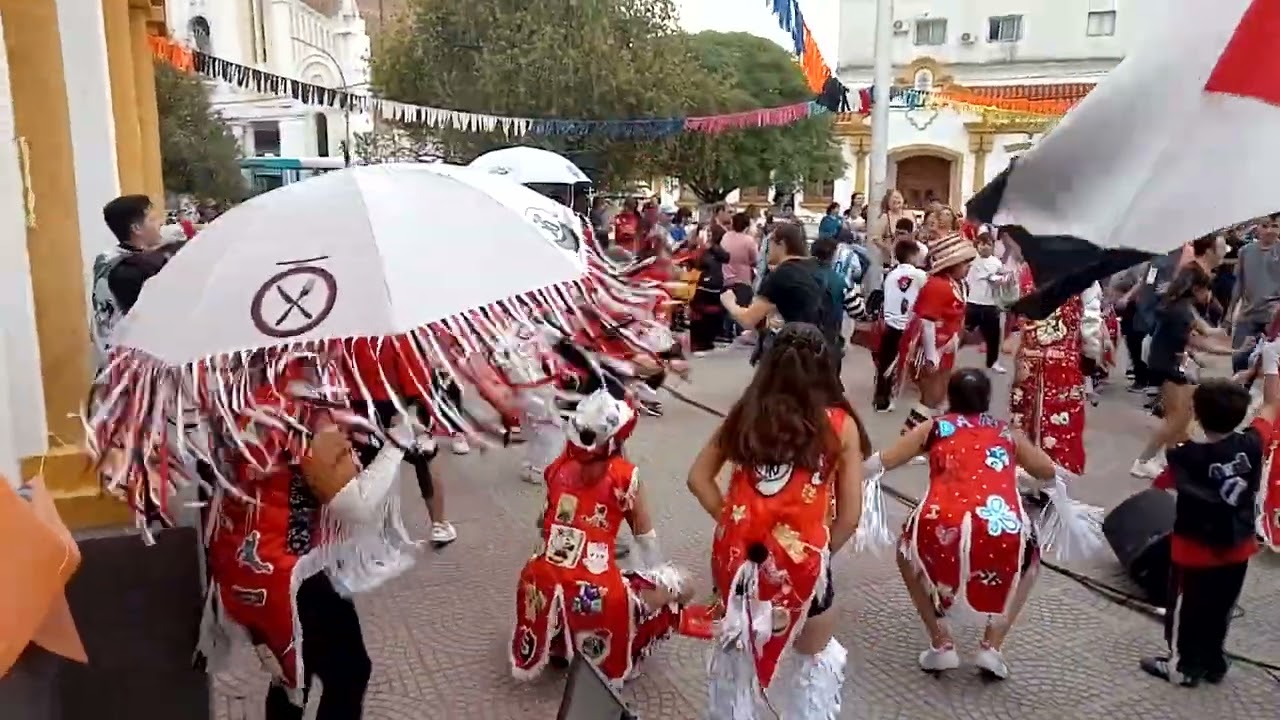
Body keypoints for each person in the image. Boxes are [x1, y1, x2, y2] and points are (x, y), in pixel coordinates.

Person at [201, 351, 421, 719]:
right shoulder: (300, 406)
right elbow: (354, 505)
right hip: (292, 571)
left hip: (249, 561)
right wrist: (399, 440)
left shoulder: (247, 392)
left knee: (294, 682)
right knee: (348, 672)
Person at [687, 322, 867, 717]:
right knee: (811, 669)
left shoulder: (746, 413)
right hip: (804, 566)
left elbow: (698, 478)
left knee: (735, 669)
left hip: (738, 562)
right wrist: (817, 553)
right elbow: (851, 515)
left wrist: (732, 519)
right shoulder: (840, 424)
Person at [862, 369, 1059, 679]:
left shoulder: (936, 427)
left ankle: (941, 643)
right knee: (1029, 560)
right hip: (1002, 522)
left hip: (940, 521)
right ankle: (991, 647)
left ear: (950, 398)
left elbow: (882, 461)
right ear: (987, 400)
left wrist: (844, 474)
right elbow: (1047, 470)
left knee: (905, 551)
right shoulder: (1006, 432)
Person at [510, 383, 689, 685]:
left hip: (539, 579)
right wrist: (661, 579)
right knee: (680, 586)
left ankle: (558, 641)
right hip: (595, 592)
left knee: (563, 579)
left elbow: (543, 524)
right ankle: (630, 652)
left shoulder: (557, 468)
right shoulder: (625, 476)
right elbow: (646, 539)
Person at [1141, 363, 1278, 686]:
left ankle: (1182, 666)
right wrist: (1271, 366)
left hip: (1194, 552)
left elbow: (1162, 475)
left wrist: (1184, 409)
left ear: (1198, 416)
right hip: (1239, 546)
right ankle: (1213, 660)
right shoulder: (1253, 442)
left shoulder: (1186, 456)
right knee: (1221, 607)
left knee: (1184, 610)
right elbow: (1272, 406)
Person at [344, 337, 458, 546]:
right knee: (426, 456)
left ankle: (368, 530)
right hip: (394, 404)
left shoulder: (338, 334)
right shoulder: (391, 334)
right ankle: (439, 524)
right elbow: (414, 379)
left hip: (355, 407)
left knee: (368, 464)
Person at [1132, 266, 1239, 478]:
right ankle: (1143, 460)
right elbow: (1199, 341)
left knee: (1183, 415)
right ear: (1197, 288)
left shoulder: (1181, 306)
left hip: (1166, 362)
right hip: (1166, 365)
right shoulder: (1180, 310)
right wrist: (1233, 351)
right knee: (1177, 417)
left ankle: (1170, 458)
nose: (1208, 295)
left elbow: (1204, 333)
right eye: (1206, 290)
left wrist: (1228, 338)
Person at [1007, 266, 1105, 475]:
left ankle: (1023, 471)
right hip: (1063, 362)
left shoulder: (1025, 270)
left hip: (1028, 357)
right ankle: (1055, 478)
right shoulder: (1085, 276)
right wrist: (1090, 357)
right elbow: (1090, 323)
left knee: (1025, 416)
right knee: (1060, 423)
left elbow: (1011, 307)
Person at [892, 233, 976, 435]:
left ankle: (934, 436)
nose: (968, 268)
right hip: (930, 350)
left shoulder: (956, 285)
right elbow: (927, 321)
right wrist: (931, 355)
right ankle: (909, 438)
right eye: (965, 263)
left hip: (945, 348)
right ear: (952, 264)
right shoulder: (937, 286)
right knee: (931, 397)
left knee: (939, 397)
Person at [720, 222, 824, 356]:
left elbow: (749, 320)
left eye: (769, 243)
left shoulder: (781, 274)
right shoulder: (815, 268)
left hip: (793, 351)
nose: (765, 250)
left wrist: (730, 303)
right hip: (819, 347)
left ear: (781, 244)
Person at [92, 194, 169, 365]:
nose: (161, 223)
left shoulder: (107, 260)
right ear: (136, 228)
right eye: (153, 219)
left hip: (107, 360)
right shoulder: (133, 272)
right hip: (130, 368)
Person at [874, 240, 928, 412]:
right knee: (905, 362)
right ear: (912, 255)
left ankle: (881, 399)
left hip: (890, 324)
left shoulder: (890, 274)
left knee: (886, 363)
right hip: (908, 326)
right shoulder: (919, 275)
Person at [1227, 213, 1280, 371]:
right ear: (1257, 227)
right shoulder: (1245, 251)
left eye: (1275, 226)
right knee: (1238, 360)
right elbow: (1239, 283)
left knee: (1270, 365)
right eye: (1265, 226)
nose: (1269, 230)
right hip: (1248, 315)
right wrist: (1229, 313)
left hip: (1273, 316)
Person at [964, 233, 1011, 373]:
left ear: (992, 246)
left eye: (988, 244)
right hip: (972, 302)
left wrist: (999, 280)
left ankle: (993, 362)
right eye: (982, 244)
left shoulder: (996, 262)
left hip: (990, 304)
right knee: (963, 332)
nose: (985, 247)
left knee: (994, 336)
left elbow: (1005, 277)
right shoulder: (971, 261)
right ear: (977, 245)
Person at [689, 224, 730, 354]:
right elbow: (694, 262)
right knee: (700, 314)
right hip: (700, 286)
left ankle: (708, 341)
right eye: (705, 231)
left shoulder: (715, 249)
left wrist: (711, 246)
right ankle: (698, 342)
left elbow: (726, 257)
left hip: (715, 286)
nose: (708, 234)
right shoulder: (695, 250)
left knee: (714, 314)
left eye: (709, 231)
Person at [721, 212, 761, 338]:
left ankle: (726, 332)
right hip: (743, 278)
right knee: (743, 306)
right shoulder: (749, 241)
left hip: (726, 276)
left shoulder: (726, 236)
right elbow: (755, 260)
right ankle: (740, 332)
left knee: (728, 305)